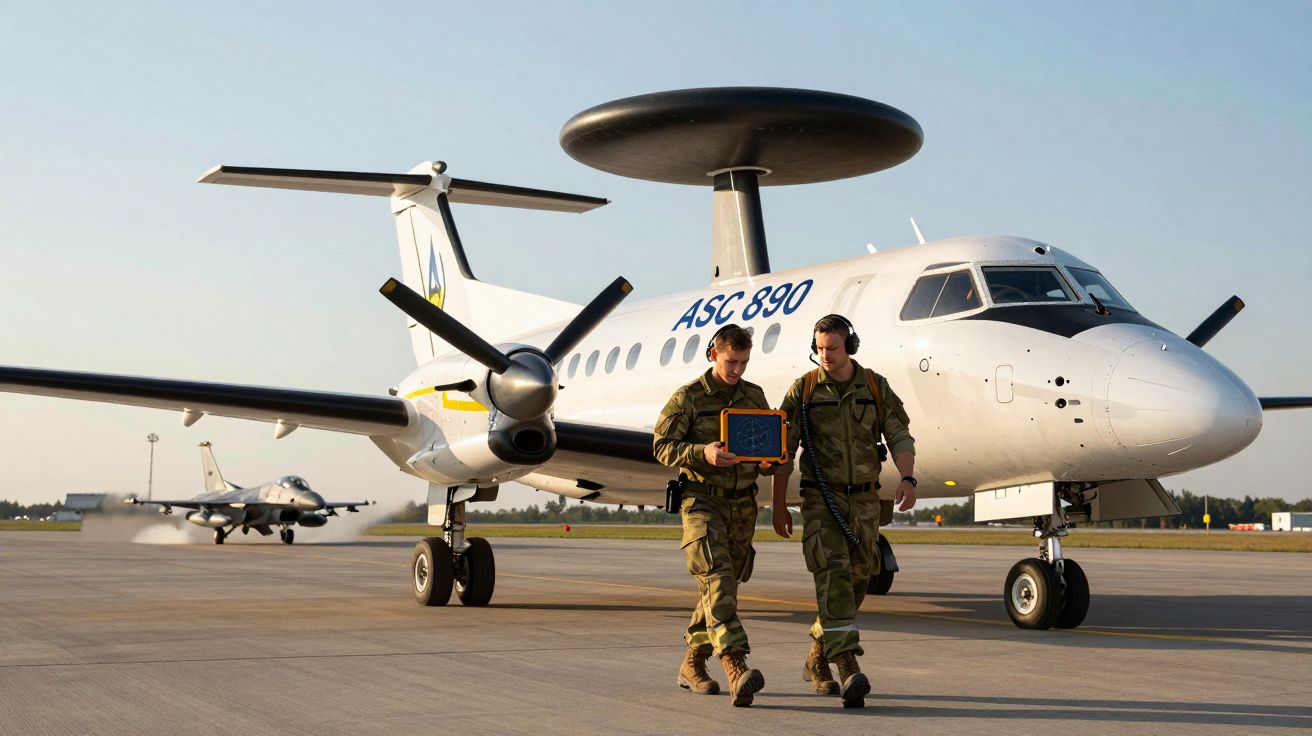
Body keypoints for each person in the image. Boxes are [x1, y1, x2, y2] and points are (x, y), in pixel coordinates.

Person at [770, 314, 917, 708]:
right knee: (832, 575)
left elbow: (899, 432)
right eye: (819, 349)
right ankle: (847, 666)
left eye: (832, 348)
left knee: (857, 582)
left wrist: (908, 477)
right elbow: (782, 450)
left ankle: (816, 659)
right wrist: (779, 504)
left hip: (865, 502)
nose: (825, 356)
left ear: (849, 345)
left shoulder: (873, 385)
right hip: (821, 499)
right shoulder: (803, 390)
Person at [653, 324, 776, 707]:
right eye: (730, 361)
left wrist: (769, 463)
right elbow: (661, 446)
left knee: (723, 587)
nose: (737, 369)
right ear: (713, 355)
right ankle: (736, 666)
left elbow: (764, 447)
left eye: (743, 361)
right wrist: (701, 454)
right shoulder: (688, 398)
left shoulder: (753, 396)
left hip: (743, 504)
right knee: (718, 579)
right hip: (702, 501)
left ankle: (692, 664)